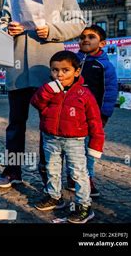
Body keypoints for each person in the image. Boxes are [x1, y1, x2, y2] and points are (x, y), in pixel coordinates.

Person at [0, 0, 86, 188]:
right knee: (15, 125)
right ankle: (13, 171)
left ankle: (50, 174)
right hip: (17, 72)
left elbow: (78, 24)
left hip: (48, 71)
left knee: (51, 126)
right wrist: (8, 30)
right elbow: (1, 27)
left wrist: (52, 31)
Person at [31, 51, 104, 223]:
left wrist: (96, 144)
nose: (60, 74)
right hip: (50, 138)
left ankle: (84, 206)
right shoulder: (49, 88)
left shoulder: (84, 94)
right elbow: (36, 103)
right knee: (52, 169)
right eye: (55, 70)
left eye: (66, 70)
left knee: (79, 173)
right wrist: (48, 91)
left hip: (75, 141)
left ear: (77, 72)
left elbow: (95, 120)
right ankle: (54, 197)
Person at [73, 25, 118, 197]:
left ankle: (88, 180)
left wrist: (104, 114)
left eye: (91, 37)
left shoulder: (105, 65)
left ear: (103, 43)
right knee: (71, 149)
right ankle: (73, 178)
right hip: (71, 115)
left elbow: (110, 91)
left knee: (88, 151)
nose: (85, 39)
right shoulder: (72, 61)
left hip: (93, 116)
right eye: (82, 37)